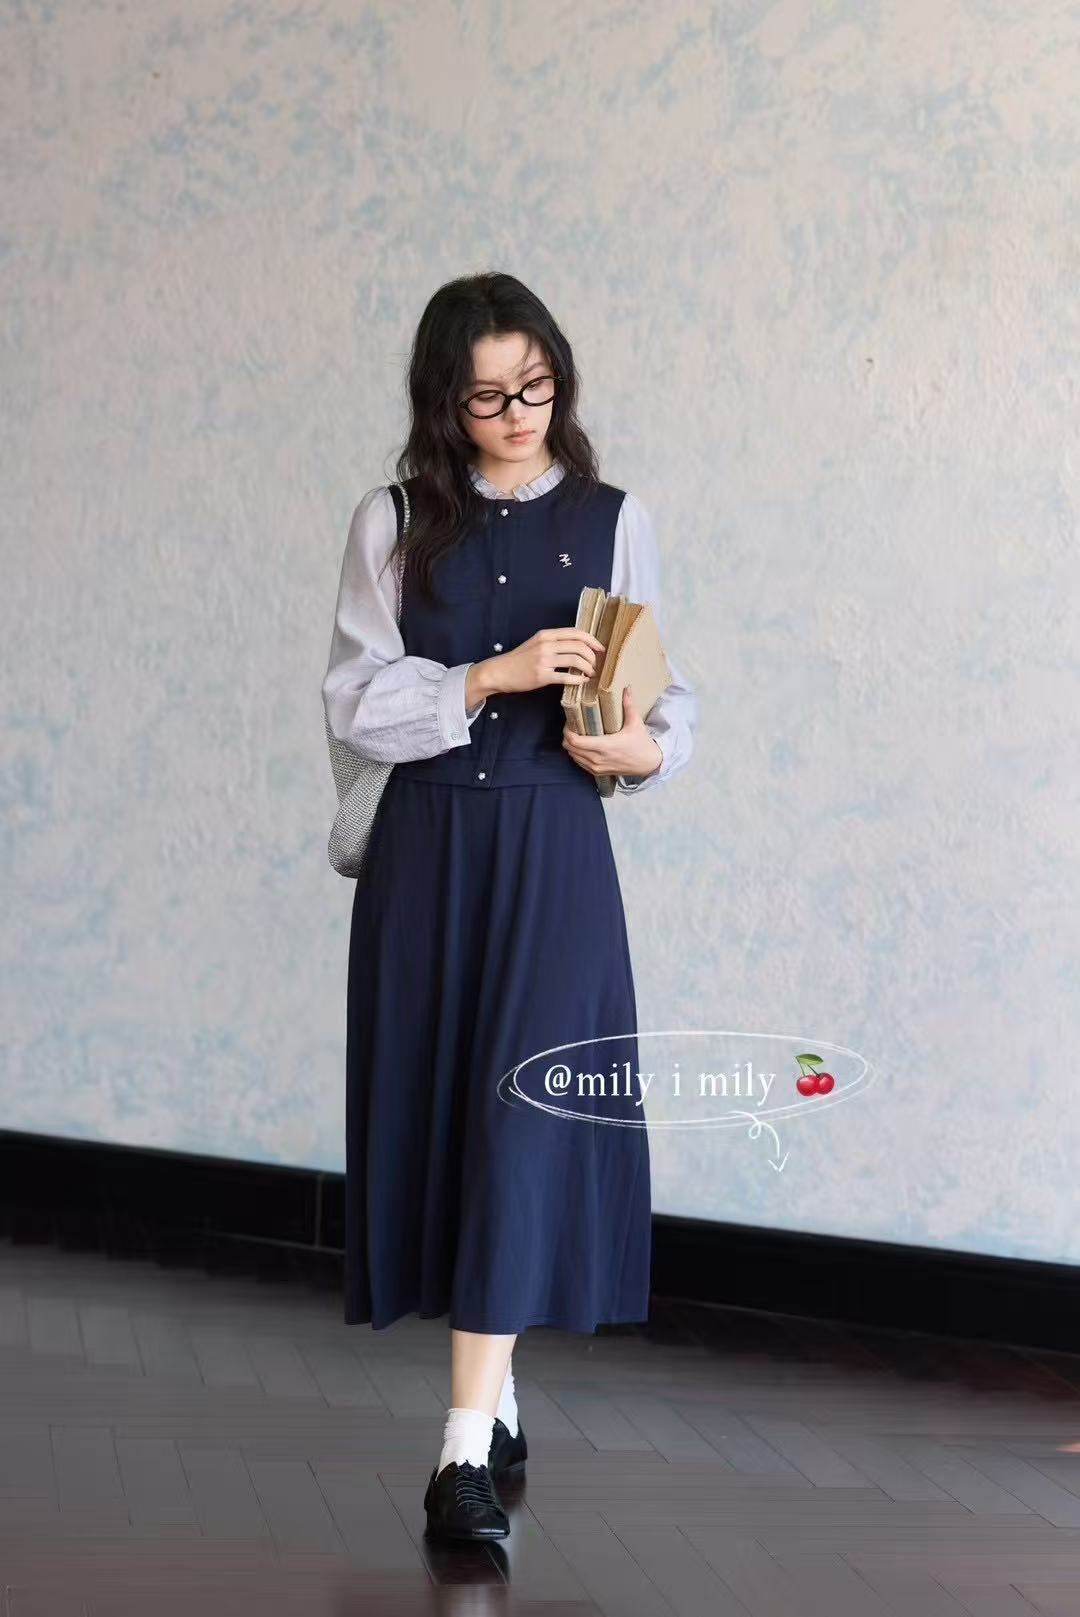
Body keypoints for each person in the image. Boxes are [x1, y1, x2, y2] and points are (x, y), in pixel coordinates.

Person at [322, 270, 696, 1543]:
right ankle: (499, 1399)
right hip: (428, 853)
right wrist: (492, 675)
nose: (519, 414)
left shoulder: (613, 518)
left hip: (554, 852)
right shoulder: (393, 522)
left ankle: (458, 1458)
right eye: (488, 397)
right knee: (447, 1122)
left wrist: (637, 750)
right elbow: (354, 702)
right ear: (445, 402)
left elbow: (664, 702)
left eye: (536, 387)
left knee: (524, 1125)